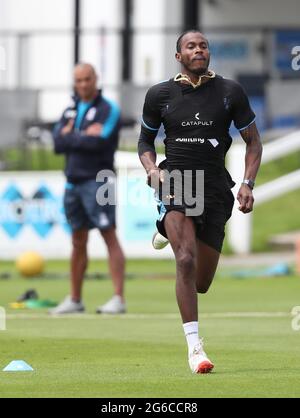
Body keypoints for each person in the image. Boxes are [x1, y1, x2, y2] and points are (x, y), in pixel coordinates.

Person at [138, 30, 263, 373]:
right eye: (191, 46)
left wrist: (248, 183)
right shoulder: (160, 94)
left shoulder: (229, 92)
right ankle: (196, 349)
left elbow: (253, 143)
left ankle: (163, 228)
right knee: (185, 258)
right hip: (176, 183)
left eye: (203, 45)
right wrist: (152, 170)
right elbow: (144, 143)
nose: (198, 50)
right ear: (178, 55)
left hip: (215, 189)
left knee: (201, 282)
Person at [51, 63, 126, 315]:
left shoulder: (108, 109)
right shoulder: (70, 109)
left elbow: (100, 141)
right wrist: (82, 135)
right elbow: (57, 143)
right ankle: (75, 299)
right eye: (78, 80)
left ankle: (118, 298)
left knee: (108, 234)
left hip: (99, 180)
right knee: (77, 240)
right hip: (72, 182)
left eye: (87, 79)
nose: (83, 84)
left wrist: (72, 136)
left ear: (96, 79)